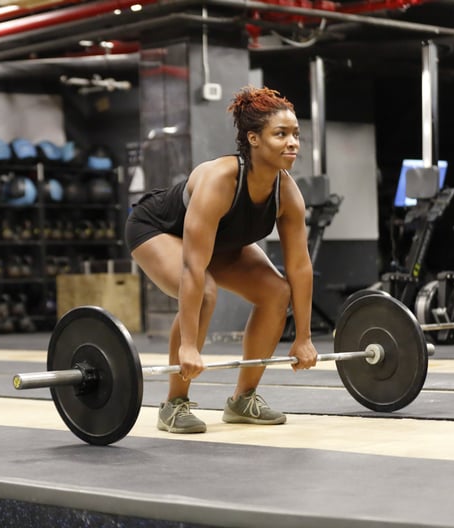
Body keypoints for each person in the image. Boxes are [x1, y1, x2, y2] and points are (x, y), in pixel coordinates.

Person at [125, 85, 319, 434]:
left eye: (295, 134)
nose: (293, 143)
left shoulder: (287, 192)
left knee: (276, 292)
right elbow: (192, 267)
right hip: (158, 229)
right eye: (281, 134)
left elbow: (299, 268)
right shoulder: (220, 179)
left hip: (221, 245)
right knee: (207, 293)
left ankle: (243, 400)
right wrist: (188, 345)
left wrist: (303, 337)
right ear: (254, 139)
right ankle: (174, 404)